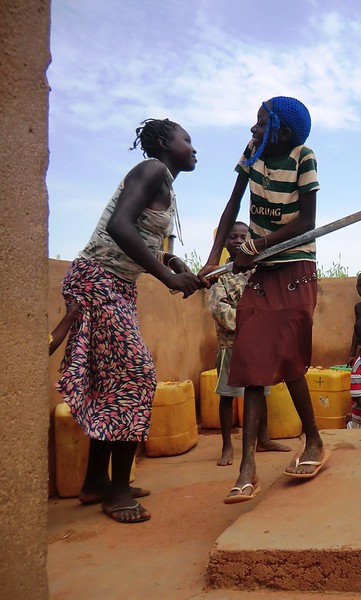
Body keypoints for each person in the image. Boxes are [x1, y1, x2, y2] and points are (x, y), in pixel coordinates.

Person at [55, 118, 204, 523]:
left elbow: (144, 235)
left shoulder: (165, 186)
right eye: (186, 140)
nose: (194, 148)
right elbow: (119, 226)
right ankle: (117, 490)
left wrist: (172, 260)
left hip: (117, 285)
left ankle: (94, 482)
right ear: (162, 143)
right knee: (135, 377)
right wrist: (169, 277)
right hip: (99, 280)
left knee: (112, 382)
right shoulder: (151, 169)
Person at [198, 96, 329, 503]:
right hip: (262, 271)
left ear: (283, 132)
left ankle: (314, 441)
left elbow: (307, 220)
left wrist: (257, 245)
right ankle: (247, 466)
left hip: (295, 268)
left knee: (290, 358)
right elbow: (233, 204)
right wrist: (212, 257)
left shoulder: (304, 157)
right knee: (252, 358)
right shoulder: (252, 153)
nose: (253, 129)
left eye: (262, 123)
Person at [208, 221, 290, 466]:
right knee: (228, 395)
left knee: (261, 392)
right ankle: (226, 447)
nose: (237, 241)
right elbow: (218, 309)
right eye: (232, 237)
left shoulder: (257, 272)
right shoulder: (220, 275)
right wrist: (248, 326)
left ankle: (263, 439)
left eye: (243, 236)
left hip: (258, 346)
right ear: (224, 242)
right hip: (231, 345)